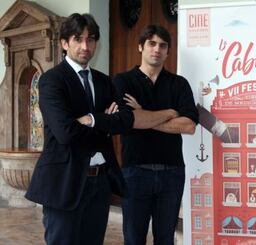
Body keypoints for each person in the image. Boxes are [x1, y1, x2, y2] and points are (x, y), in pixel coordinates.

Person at [25, 13, 137, 245]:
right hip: (64, 182)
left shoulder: (104, 81)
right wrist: (106, 126)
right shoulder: (52, 81)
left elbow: (126, 120)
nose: (85, 46)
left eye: (91, 39)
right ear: (65, 43)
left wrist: (91, 120)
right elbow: (65, 132)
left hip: (100, 183)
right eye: (78, 39)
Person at [113, 24, 199, 245]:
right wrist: (170, 113)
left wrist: (142, 116)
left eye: (162, 45)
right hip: (135, 172)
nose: (157, 49)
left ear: (168, 51)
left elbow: (189, 126)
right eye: (151, 43)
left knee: (165, 239)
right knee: (133, 239)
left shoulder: (179, 84)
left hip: (172, 173)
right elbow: (127, 121)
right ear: (140, 47)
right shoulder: (123, 81)